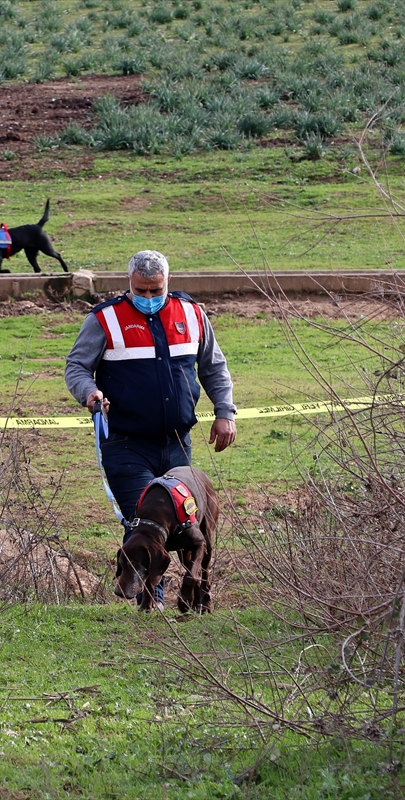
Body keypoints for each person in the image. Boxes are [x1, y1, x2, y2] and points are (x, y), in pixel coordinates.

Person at [64, 250, 236, 608]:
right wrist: (90, 393)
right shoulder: (104, 320)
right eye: (140, 290)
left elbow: (213, 368)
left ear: (168, 282)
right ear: (129, 283)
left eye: (155, 289)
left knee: (181, 521)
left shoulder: (192, 314)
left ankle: (194, 591)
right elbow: (76, 367)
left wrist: (225, 412)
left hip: (177, 444)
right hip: (126, 444)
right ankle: (151, 597)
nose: (147, 297)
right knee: (143, 520)